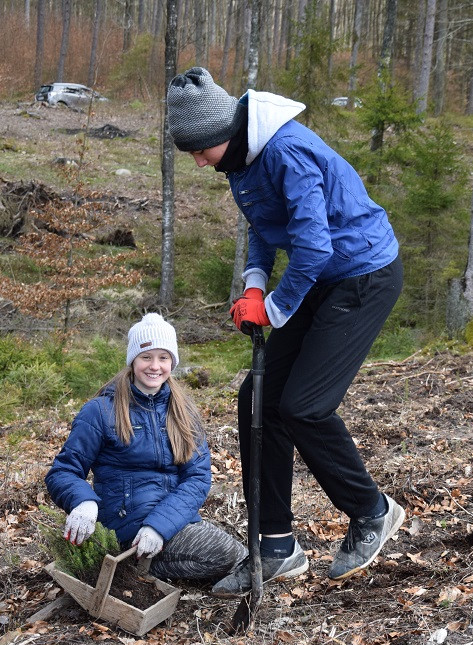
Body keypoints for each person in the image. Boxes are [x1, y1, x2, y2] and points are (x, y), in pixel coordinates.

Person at [165, 67, 405, 596]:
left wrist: (272, 311)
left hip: (362, 274)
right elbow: (262, 226)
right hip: (321, 276)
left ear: (220, 134)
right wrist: (254, 284)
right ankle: (276, 545)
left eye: (199, 150)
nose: (198, 162)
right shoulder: (238, 156)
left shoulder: (284, 151)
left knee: (304, 406)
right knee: (258, 398)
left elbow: (316, 247)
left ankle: (372, 510)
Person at [45, 313, 246, 581]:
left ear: (172, 362)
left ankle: (131, 571)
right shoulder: (101, 411)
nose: (155, 366)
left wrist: (159, 526)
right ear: (133, 361)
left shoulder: (183, 410)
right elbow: (63, 472)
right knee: (230, 556)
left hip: (170, 519)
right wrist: (83, 502)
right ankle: (128, 566)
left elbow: (197, 477)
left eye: (163, 358)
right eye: (146, 357)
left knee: (240, 558)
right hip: (126, 523)